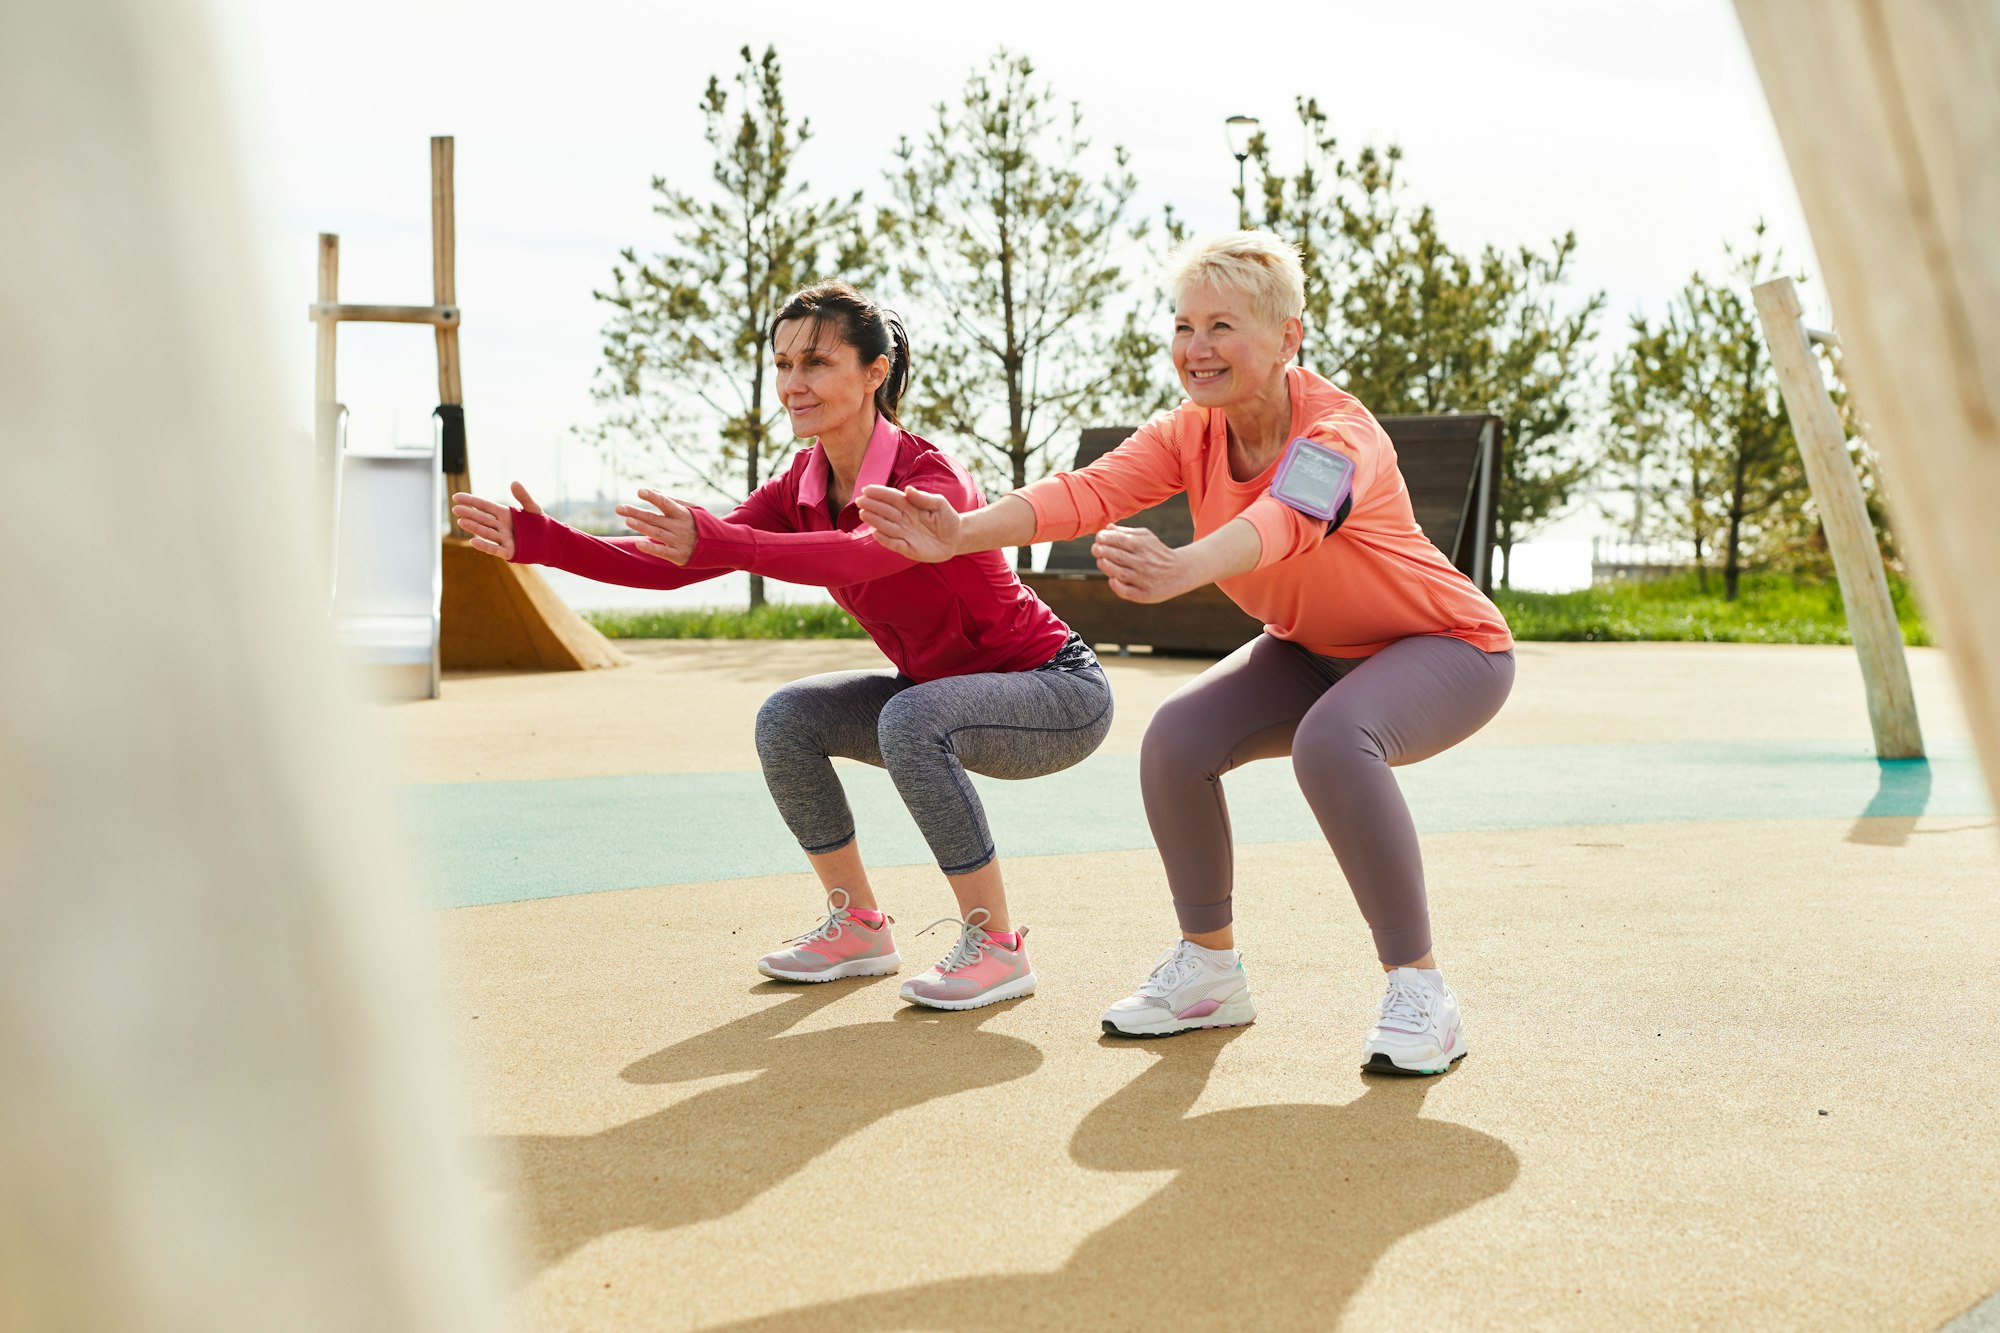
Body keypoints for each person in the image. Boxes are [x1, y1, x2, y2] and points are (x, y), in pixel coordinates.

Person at [857, 232, 1515, 1073]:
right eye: (1183, 326)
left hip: (1448, 645)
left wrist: (1186, 568)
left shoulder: (1341, 433)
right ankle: (1209, 971)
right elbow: (1086, 491)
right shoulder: (1191, 431)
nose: (1196, 349)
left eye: (1222, 327)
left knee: (1332, 741)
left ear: (1288, 338)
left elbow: (1287, 520)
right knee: (1177, 739)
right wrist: (961, 532)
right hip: (1311, 647)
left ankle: (1422, 991)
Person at [451, 282, 1112, 1011]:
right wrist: (545, 541)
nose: (794, 383)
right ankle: (860, 926)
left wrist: (723, 536)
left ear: (875, 371)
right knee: (789, 717)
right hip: (936, 695)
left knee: (910, 718)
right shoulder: (799, 486)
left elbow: (855, 555)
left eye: (817, 362)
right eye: (784, 363)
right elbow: (683, 564)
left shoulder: (929, 477)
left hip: (1056, 691)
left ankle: (997, 947)